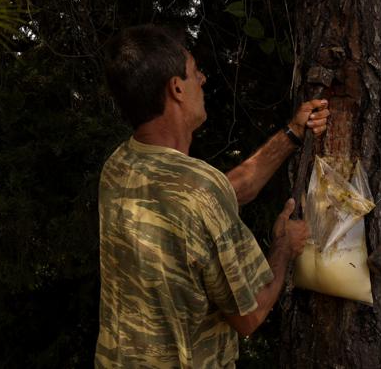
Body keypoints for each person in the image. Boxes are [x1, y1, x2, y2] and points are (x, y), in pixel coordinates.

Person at [95, 24, 329, 368]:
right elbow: (249, 315)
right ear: (176, 88)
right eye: (194, 72)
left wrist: (292, 133)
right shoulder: (200, 192)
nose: (202, 79)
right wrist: (284, 248)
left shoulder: (120, 165)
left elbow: (211, 198)